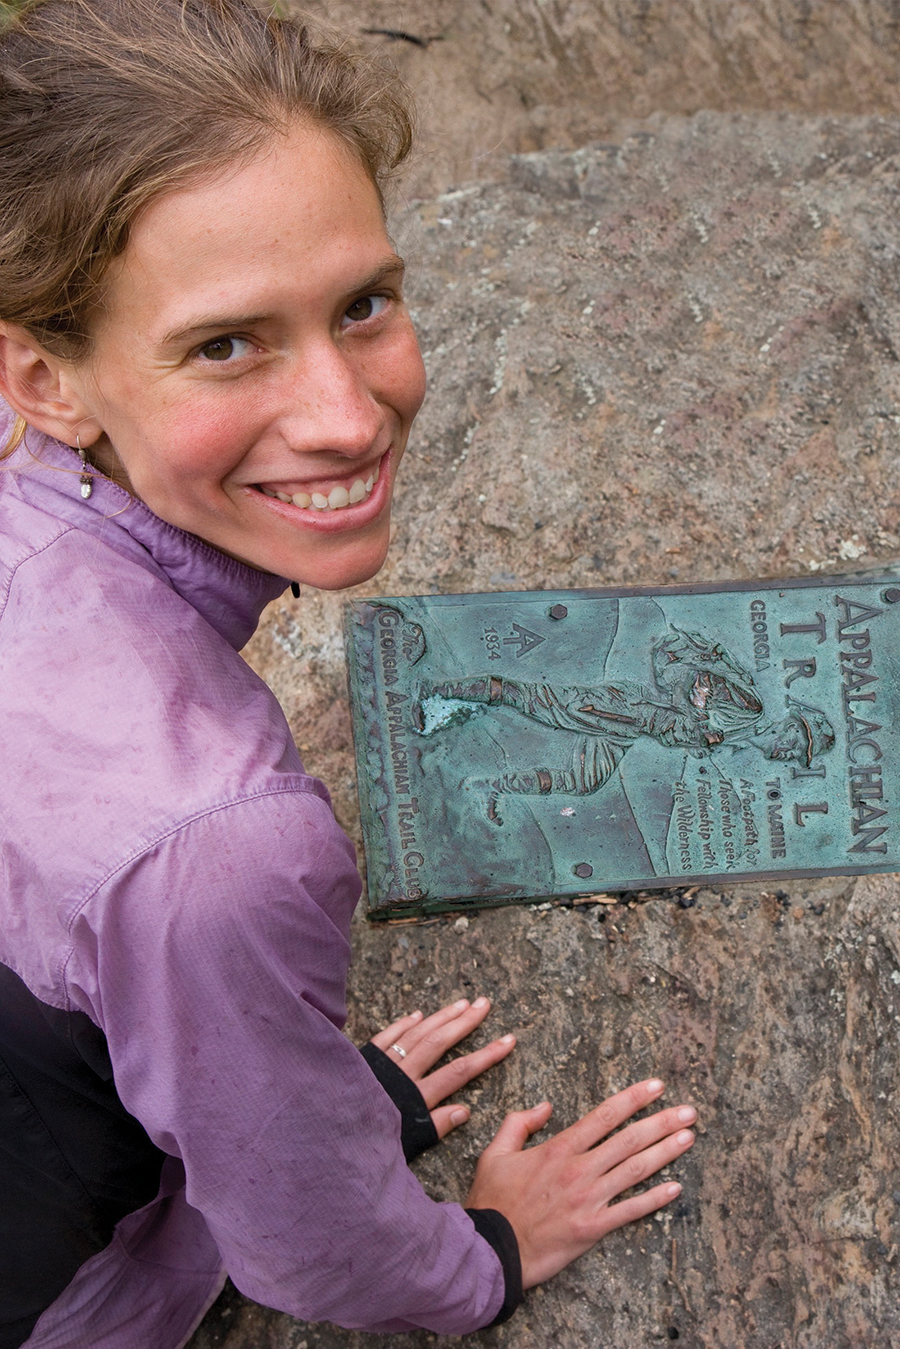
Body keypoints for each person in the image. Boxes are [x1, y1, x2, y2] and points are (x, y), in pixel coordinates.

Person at [0, 2, 698, 1345]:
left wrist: (285, 1081)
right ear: (45, 375)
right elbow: (311, 1256)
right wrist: (475, 1254)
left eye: (364, 305)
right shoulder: (220, 849)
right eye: (226, 342)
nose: (347, 413)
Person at [415, 626, 835, 822]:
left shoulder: (744, 737)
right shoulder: (750, 709)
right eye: (797, 744)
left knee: (585, 781)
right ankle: (436, 688)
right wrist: (698, 703)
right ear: (792, 726)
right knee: (536, 702)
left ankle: (489, 787)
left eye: (797, 756)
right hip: (633, 709)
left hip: (633, 730)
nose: (790, 754)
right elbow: (698, 682)